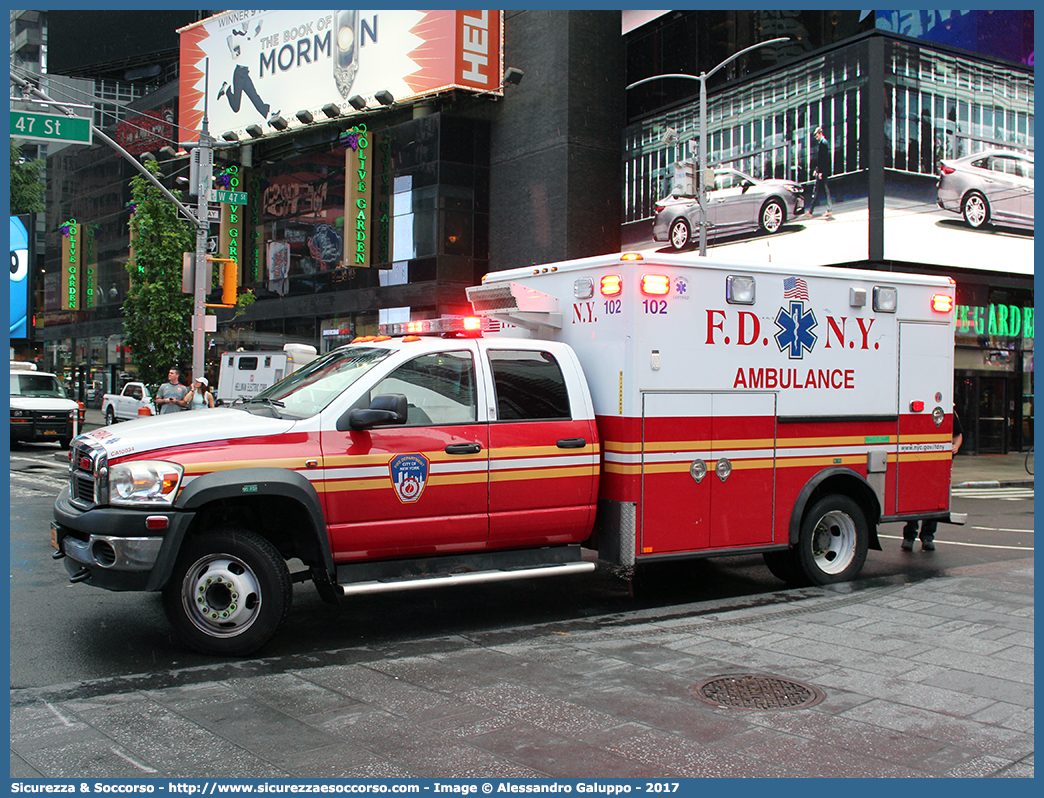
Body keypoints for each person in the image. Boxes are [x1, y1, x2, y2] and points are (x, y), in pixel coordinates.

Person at [902, 410, 964, 552]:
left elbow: (958, 434)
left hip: (938, 461)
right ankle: (910, 537)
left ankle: (927, 537)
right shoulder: (918, 413)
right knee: (915, 500)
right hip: (919, 461)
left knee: (933, 501)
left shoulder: (947, 412)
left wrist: (956, 447)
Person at [804, 126, 834, 220]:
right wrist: (817, 170)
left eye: (816, 135)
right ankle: (815, 211)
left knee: (820, 191)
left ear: (820, 133)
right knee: (822, 190)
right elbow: (821, 160)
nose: (816, 137)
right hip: (821, 172)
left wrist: (820, 172)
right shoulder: (822, 143)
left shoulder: (823, 143)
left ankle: (813, 211)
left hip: (822, 172)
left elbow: (824, 160)